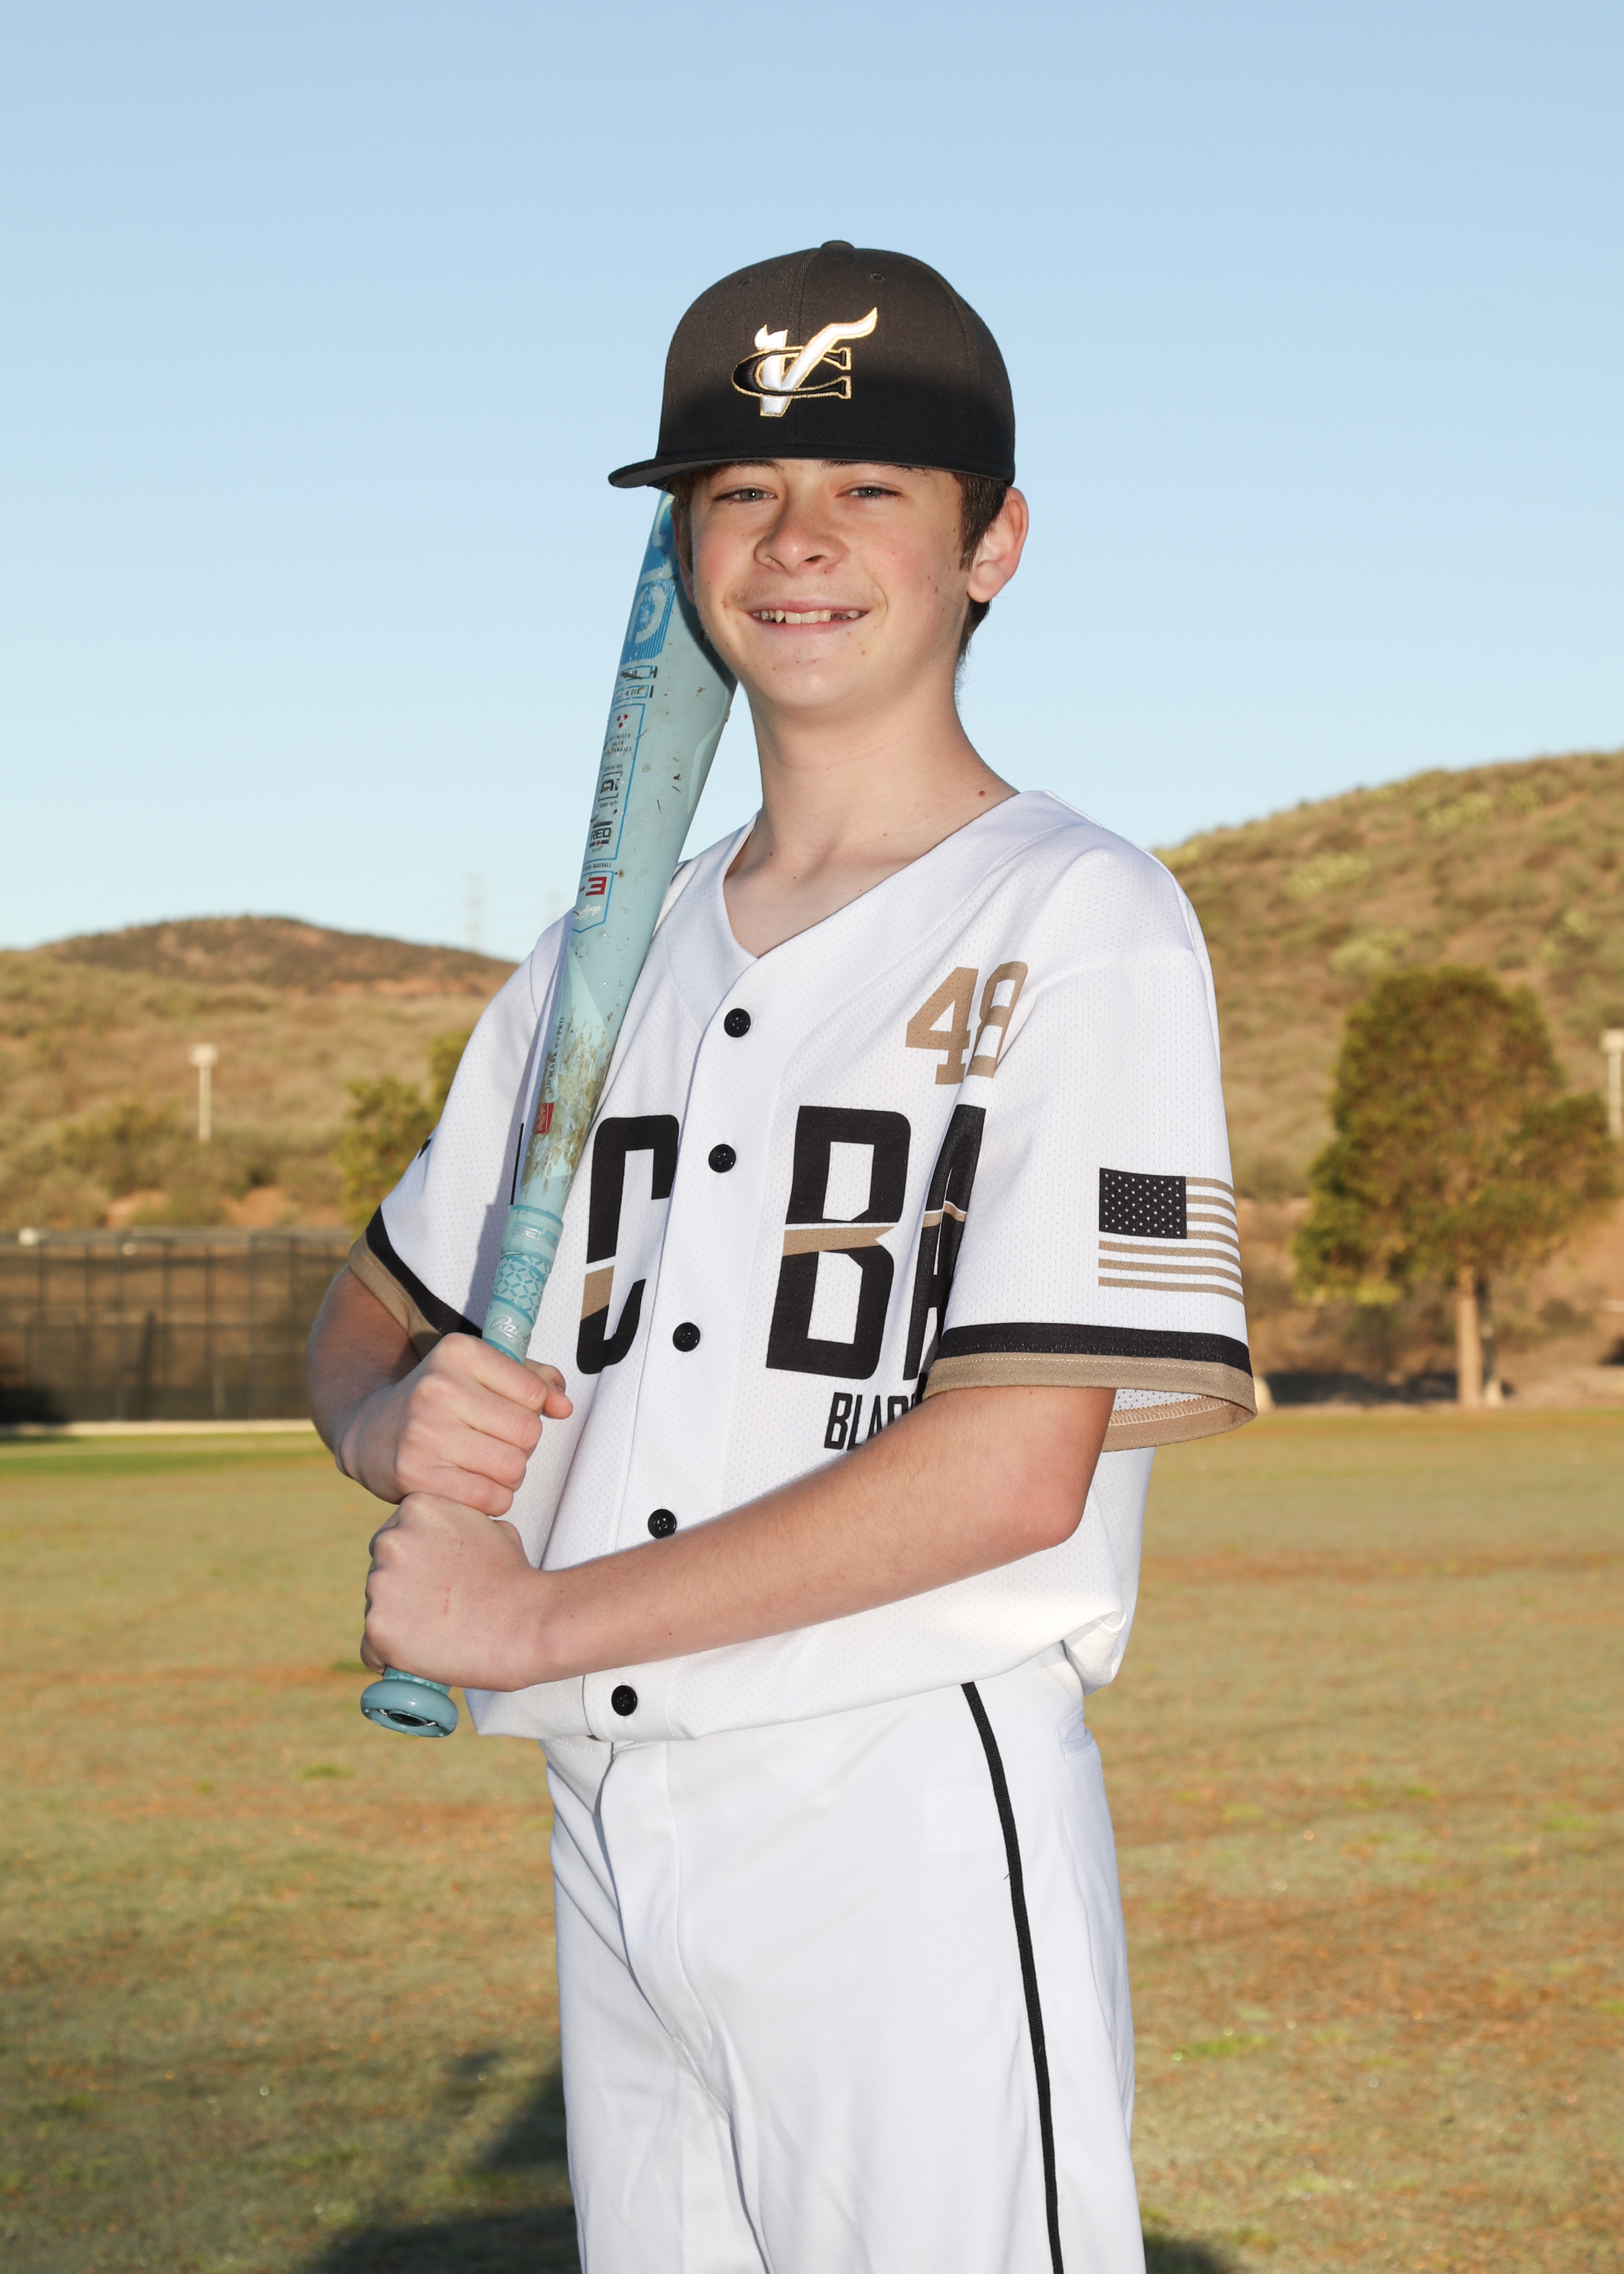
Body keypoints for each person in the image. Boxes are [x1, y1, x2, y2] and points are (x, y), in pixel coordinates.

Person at [307, 240, 1255, 2273]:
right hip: (603, 1811)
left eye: (868, 487)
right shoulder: (595, 955)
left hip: (890, 1793)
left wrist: (529, 1619)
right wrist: (390, 1428)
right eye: (739, 488)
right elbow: (366, 1318)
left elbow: (1011, 1468)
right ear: (681, 545)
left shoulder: (1074, 917)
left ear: (992, 543)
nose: (796, 540)